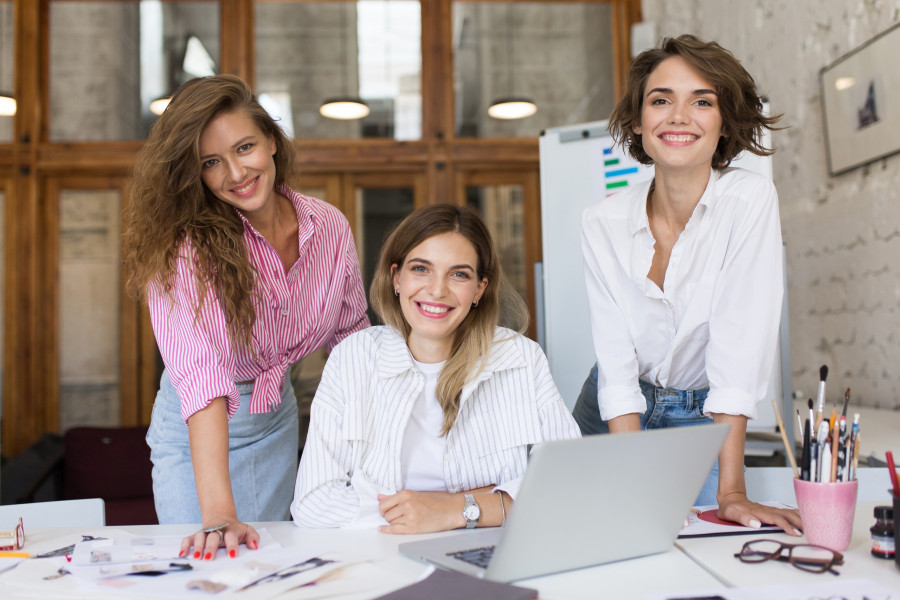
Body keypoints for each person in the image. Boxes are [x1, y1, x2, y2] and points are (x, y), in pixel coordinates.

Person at [123, 74, 369, 559]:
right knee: (212, 571)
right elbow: (202, 377)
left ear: (272, 141)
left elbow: (352, 345)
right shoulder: (185, 249)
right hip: (197, 430)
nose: (235, 173)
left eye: (245, 147)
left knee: (272, 567)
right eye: (211, 163)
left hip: (275, 418)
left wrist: (370, 459)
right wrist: (218, 514)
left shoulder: (328, 227)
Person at [572, 35, 802, 534]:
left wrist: (733, 493)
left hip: (704, 420)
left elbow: (738, 350)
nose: (679, 116)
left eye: (702, 101)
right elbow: (615, 365)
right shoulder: (602, 221)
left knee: (703, 549)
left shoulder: (749, 200)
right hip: (614, 410)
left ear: (724, 122)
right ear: (638, 120)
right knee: (598, 542)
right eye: (661, 100)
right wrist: (636, 485)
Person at [291, 204, 580, 533]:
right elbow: (313, 503)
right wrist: (488, 502)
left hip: (494, 552)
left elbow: (569, 482)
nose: (437, 290)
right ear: (396, 277)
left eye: (459, 274)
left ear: (479, 290)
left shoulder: (521, 358)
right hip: (384, 551)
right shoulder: (353, 359)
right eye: (421, 269)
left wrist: (453, 510)